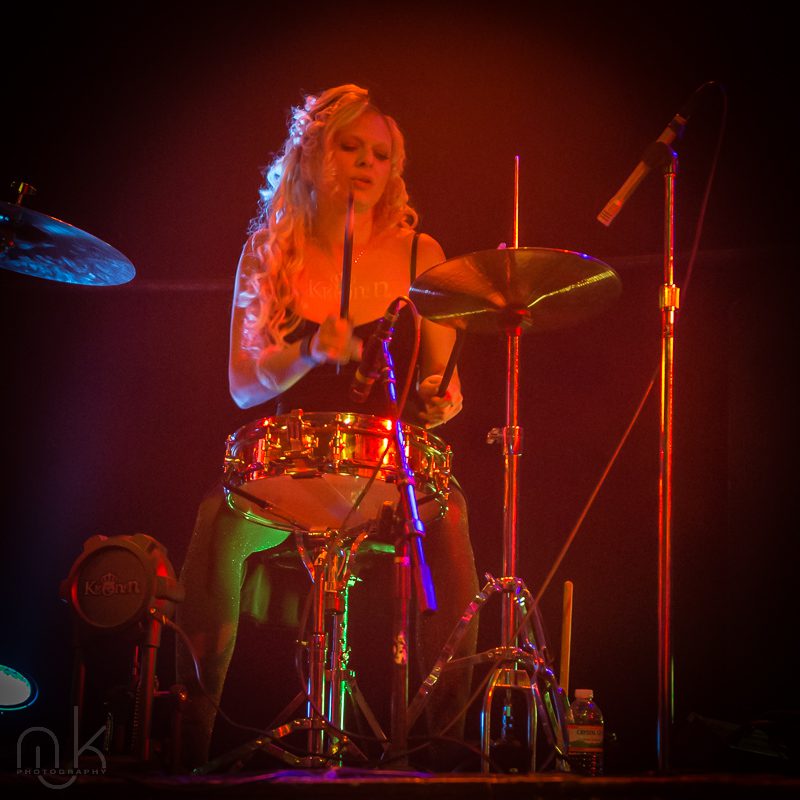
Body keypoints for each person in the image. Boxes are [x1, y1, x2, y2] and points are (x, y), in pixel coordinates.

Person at [175, 84, 479, 771]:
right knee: (217, 519)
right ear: (311, 156)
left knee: (452, 515)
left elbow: (446, 383)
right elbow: (242, 385)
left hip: (389, 472)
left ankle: (446, 747)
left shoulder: (420, 253)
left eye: (381, 154)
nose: (368, 163)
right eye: (351, 147)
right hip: (291, 475)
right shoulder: (269, 250)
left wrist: (440, 398)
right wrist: (308, 351)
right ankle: (185, 744)